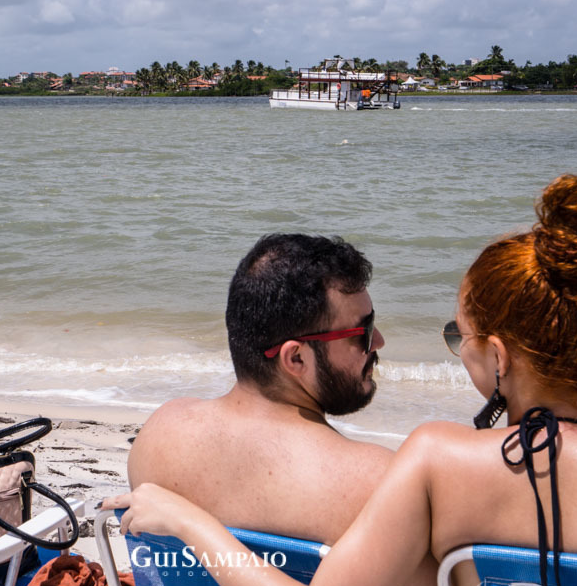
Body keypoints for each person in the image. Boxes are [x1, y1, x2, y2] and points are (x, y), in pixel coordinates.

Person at [107, 176, 577, 586]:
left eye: (462, 338)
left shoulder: (435, 468)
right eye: (365, 332)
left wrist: (193, 522)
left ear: (498, 357)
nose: (384, 345)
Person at [127, 234, 420, 566]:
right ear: (295, 359)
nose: (378, 342)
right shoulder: (375, 481)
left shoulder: (158, 435)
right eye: (362, 333)